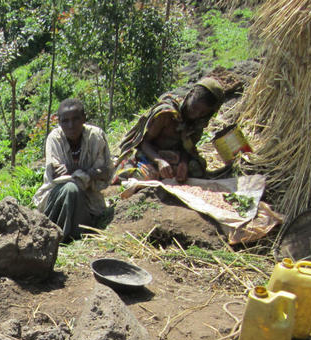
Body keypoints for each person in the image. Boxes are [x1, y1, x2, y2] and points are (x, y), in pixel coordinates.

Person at [115, 77, 225, 183]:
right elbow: (144, 143)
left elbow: (187, 148)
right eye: (195, 108)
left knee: (195, 168)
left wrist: (183, 162)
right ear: (190, 95)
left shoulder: (198, 122)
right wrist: (159, 161)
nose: (196, 114)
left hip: (171, 156)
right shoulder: (166, 113)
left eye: (202, 113)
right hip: (147, 154)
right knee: (145, 175)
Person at [32, 98, 114, 242]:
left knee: (73, 187)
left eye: (75, 119)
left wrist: (74, 169)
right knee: (71, 189)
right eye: (65, 121)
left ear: (84, 118)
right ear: (59, 122)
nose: (71, 125)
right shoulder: (55, 138)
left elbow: (106, 173)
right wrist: (90, 173)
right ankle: (61, 236)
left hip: (90, 197)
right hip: (57, 196)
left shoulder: (96, 136)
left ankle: (73, 233)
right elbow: (56, 175)